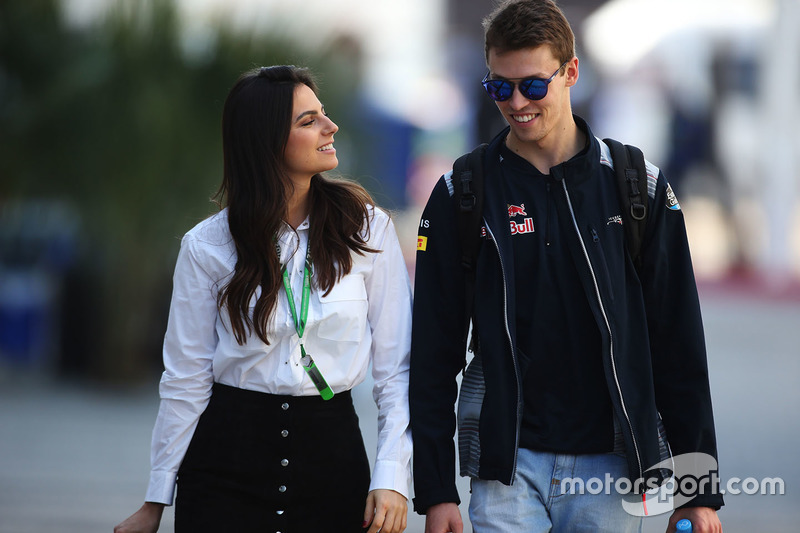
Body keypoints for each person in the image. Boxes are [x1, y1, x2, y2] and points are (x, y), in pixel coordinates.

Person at [409, 1, 724, 532]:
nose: (515, 102)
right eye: (498, 87)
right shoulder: (462, 192)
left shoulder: (636, 185)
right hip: (506, 471)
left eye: (533, 86)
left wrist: (698, 490)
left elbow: (678, 342)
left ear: (571, 71)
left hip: (611, 468)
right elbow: (433, 351)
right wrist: (436, 488)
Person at [115, 65, 412, 533]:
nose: (329, 127)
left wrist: (393, 476)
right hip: (224, 467)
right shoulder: (206, 246)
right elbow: (185, 378)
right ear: (265, 140)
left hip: (333, 462)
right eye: (308, 120)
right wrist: (156, 500)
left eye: (324, 114)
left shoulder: (367, 229)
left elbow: (397, 371)